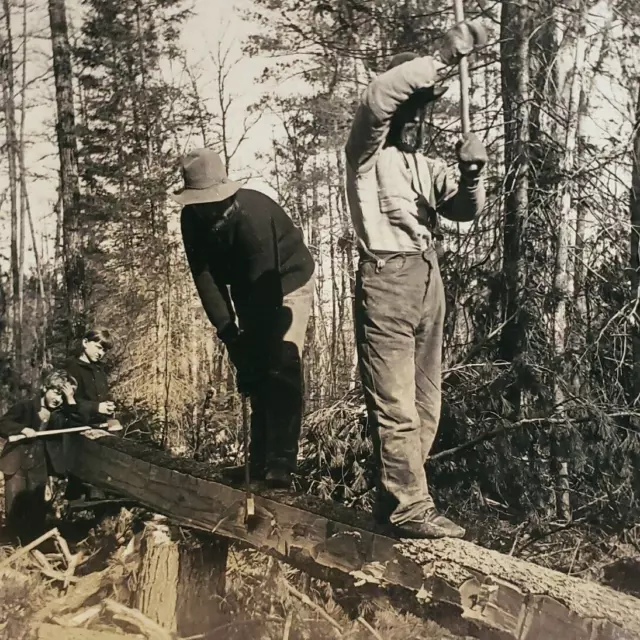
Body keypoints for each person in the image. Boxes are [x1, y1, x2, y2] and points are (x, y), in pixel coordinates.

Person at [344, 22, 488, 538]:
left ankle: (394, 504)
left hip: (428, 281)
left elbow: (465, 211)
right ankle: (410, 507)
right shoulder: (364, 156)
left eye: (423, 107)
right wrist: (441, 58)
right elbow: (378, 98)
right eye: (416, 103)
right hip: (386, 282)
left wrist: (473, 175)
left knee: (427, 403)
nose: (419, 116)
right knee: (397, 406)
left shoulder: (419, 164)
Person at [172, 148, 316, 489]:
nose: (206, 209)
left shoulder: (253, 217)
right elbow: (205, 279)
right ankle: (259, 460)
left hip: (285, 281)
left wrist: (254, 354)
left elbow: (266, 299)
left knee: (279, 360)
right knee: (254, 367)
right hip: (247, 286)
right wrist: (230, 335)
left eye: (211, 201)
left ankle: (280, 462)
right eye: (199, 201)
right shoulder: (191, 219)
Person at [0, 369, 80, 540]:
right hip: (17, 464)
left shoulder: (61, 415)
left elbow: (77, 423)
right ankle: (12, 546)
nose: (58, 399)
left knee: (35, 510)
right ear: (45, 388)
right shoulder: (25, 407)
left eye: (63, 396)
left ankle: (31, 545)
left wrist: (71, 400)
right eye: (56, 392)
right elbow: (3, 423)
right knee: (14, 507)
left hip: (40, 465)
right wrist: (22, 429)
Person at [65, 328, 116, 427]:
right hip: (76, 427)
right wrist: (96, 407)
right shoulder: (71, 368)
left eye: (104, 350)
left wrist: (109, 406)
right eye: (98, 347)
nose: (101, 353)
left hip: (100, 425)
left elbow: (102, 395)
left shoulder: (100, 370)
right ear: (85, 342)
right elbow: (68, 401)